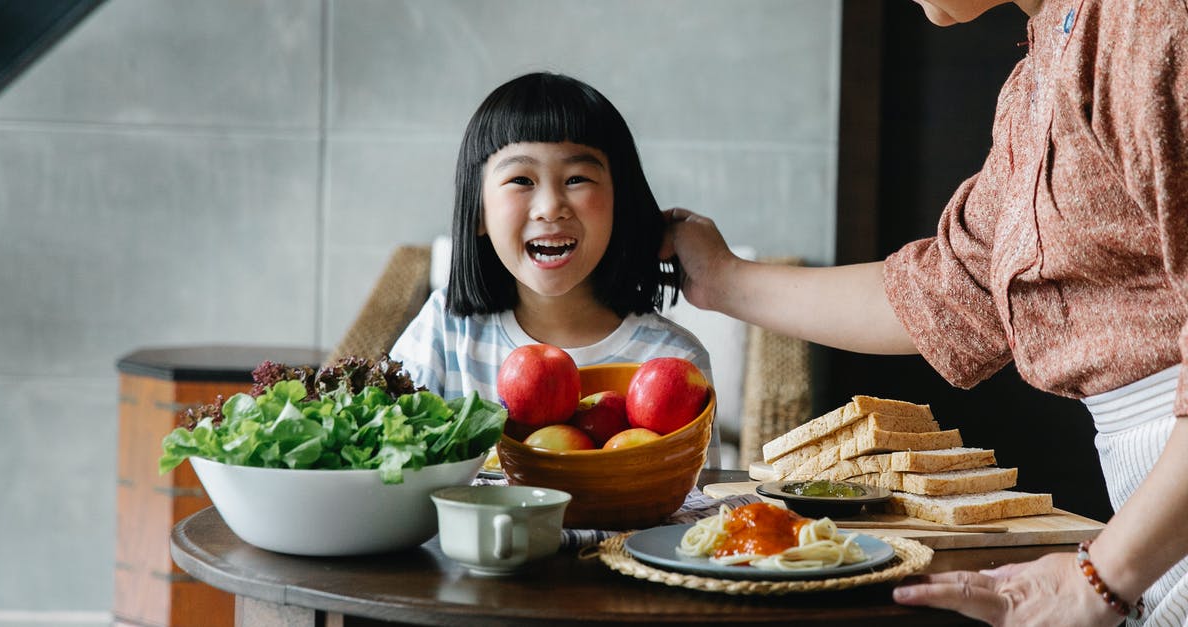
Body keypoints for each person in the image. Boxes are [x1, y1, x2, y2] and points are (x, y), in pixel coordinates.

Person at [661, 0, 1188, 624]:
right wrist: (722, 281)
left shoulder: (1151, 20)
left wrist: (1101, 577)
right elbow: (949, 294)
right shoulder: (1042, 68)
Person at [390, 71, 719, 467]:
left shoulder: (673, 359)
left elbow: (695, 506)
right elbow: (390, 466)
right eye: (521, 179)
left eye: (577, 178)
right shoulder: (444, 332)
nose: (550, 206)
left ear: (621, 204)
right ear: (478, 211)